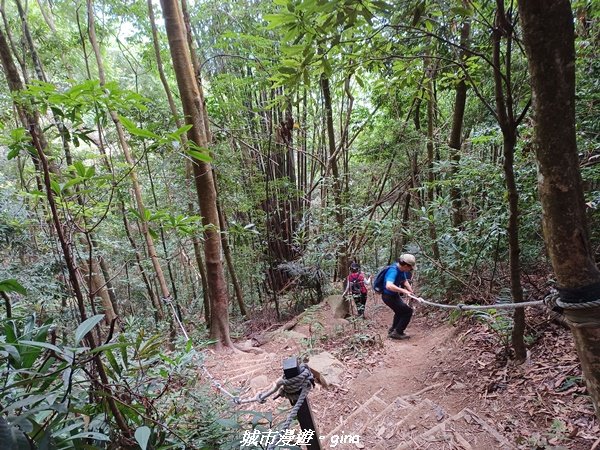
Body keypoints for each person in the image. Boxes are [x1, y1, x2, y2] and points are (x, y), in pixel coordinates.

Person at [382, 254, 417, 340]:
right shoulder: (393, 271)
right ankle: (398, 332)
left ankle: (393, 330)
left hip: (393, 295)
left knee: (400, 311)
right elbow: (389, 285)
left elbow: (404, 281)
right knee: (408, 311)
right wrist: (403, 291)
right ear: (405, 265)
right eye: (411, 268)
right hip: (388, 296)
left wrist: (411, 292)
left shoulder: (401, 270)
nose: (411, 269)